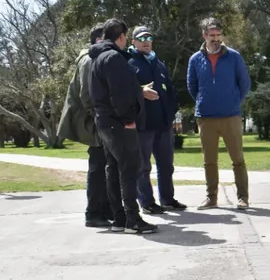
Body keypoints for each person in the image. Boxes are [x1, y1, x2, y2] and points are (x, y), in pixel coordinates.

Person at [88, 17, 158, 234]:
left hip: (104, 122)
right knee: (129, 169)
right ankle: (132, 219)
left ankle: (119, 218)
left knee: (114, 169)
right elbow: (120, 94)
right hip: (118, 123)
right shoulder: (113, 59)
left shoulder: (97, 58)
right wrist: (128, 119)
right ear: (121, 37)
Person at [186, 16, 251, 210]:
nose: (216, 38)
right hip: (206, 118)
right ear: (204, 35)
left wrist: (233, 101)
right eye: (212, 35)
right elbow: (192, 85)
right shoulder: (195, 59)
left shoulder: (234, 56)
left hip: (231, 116)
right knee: (209, 161)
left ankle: (243, 198)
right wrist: (203, 101)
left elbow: (244, 83)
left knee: (238, 159)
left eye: (218, 35)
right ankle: (211, 198)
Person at [57, 24, 113, 227]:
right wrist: (99, 120)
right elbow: (87, 96)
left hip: (96, 120)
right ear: (99, 40)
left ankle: (105, 208)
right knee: (98, 168)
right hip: (93, 123)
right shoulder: (90, 59)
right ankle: (94, 213)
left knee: (105, 166)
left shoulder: (96, 58)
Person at [127, 25, 186, 214]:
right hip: (143, 124)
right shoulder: (128, 62)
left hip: (163, 123)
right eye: (141, 39)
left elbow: (169, 90)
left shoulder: (158, 63)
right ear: (133, 42)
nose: (146, 41)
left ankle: (167, 200)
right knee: (143, 166)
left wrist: (171, 112)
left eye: (148, 38)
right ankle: (147, 202)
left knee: (166, 165)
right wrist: (140, 92)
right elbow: (122, 91)